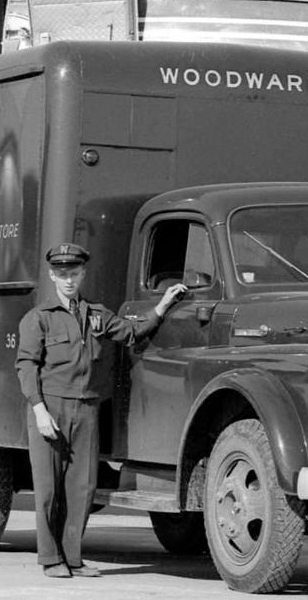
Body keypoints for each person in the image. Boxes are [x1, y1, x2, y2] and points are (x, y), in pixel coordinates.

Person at [16, 244, 189, 578]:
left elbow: (132, 333)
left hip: (87, 409)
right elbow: (26, 366)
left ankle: (73, 558)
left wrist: (163, 306)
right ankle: (51, 559)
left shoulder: (96, 314)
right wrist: (39, 410)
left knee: (82, 487)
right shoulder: (39, 318)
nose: (68, 280)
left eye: (74, 273)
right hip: (50, 407)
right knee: (49, 489)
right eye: (62, 274)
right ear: (52, 276)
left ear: (83, 274)